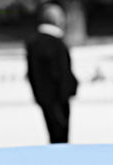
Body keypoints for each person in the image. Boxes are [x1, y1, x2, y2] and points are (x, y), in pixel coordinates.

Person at [25, 2, 78, 143]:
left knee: (54, 135)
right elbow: (61, 73)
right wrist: (70, 89)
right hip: (57, 99)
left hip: (45, 98)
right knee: (60, 136)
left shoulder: (33, 42)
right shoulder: (55, 43)